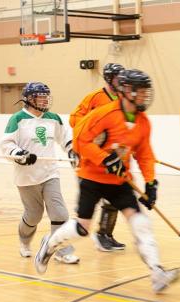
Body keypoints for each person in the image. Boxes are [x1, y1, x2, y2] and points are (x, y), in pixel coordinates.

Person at [34, 70, 180, 294]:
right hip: (92, 177)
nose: (144, 96)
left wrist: (151, 183)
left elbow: (144, 154)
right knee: (83, 228)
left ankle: (157, 272)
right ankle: (50, 244)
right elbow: (80, 141)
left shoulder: (142, 122)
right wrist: (105, 158)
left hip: (120, 180)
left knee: (140, 222)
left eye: (145, 92)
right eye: (139, 92)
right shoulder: (104, 114)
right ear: (125, 92)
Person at [0, 82, 79, 265]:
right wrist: (20, 155)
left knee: (59, 213)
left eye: (46, 96)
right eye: (40, 96)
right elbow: (6, 145)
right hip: (26, 177)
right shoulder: (18, 119)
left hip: (50, 174)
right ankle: (24, 242)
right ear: (28, 99)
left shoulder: (54, 118)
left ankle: (62, 251)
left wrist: (72, 151)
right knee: (34, 215)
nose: (44, 100)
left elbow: (66, 138)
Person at [70, 63, 126, 252]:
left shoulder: (123, 99)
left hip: (113, 155)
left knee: (113, 199)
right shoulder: (94, 98)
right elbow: (74, 118)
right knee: (92, 200)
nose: (122, 81)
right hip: (93, 157)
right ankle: (71, 235)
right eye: (118, 77)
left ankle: (105, 234)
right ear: (109, 78)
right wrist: (94, 130)